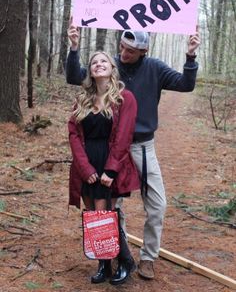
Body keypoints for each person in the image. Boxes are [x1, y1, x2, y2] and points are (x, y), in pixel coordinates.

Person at [66, 24, 200, 280]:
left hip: (141, 146)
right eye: (122, 48)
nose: (124, 53)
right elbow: (76, 77)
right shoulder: (109, 66)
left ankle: (148, 257)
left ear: (143, 51)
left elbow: (185, 84)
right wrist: (74, 47)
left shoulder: (155, 68)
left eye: (131, 51)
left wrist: (191, 56)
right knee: (112, 206)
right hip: (110, 148)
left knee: (157, 204)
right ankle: (117, 254)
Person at [68, 51, 140, 285]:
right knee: (91, 216)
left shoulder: (124, 98)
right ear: (90, 71)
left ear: (112, 67)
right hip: (86, 164)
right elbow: (73, 134)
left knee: (103, 215)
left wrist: (111, 170)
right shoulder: (82, 100)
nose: (98, 64)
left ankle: (125, 260)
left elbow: (123, 136)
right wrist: (84, 167)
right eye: (94, 62)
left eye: (103, 61)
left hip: (108, 162)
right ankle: (104, 264)